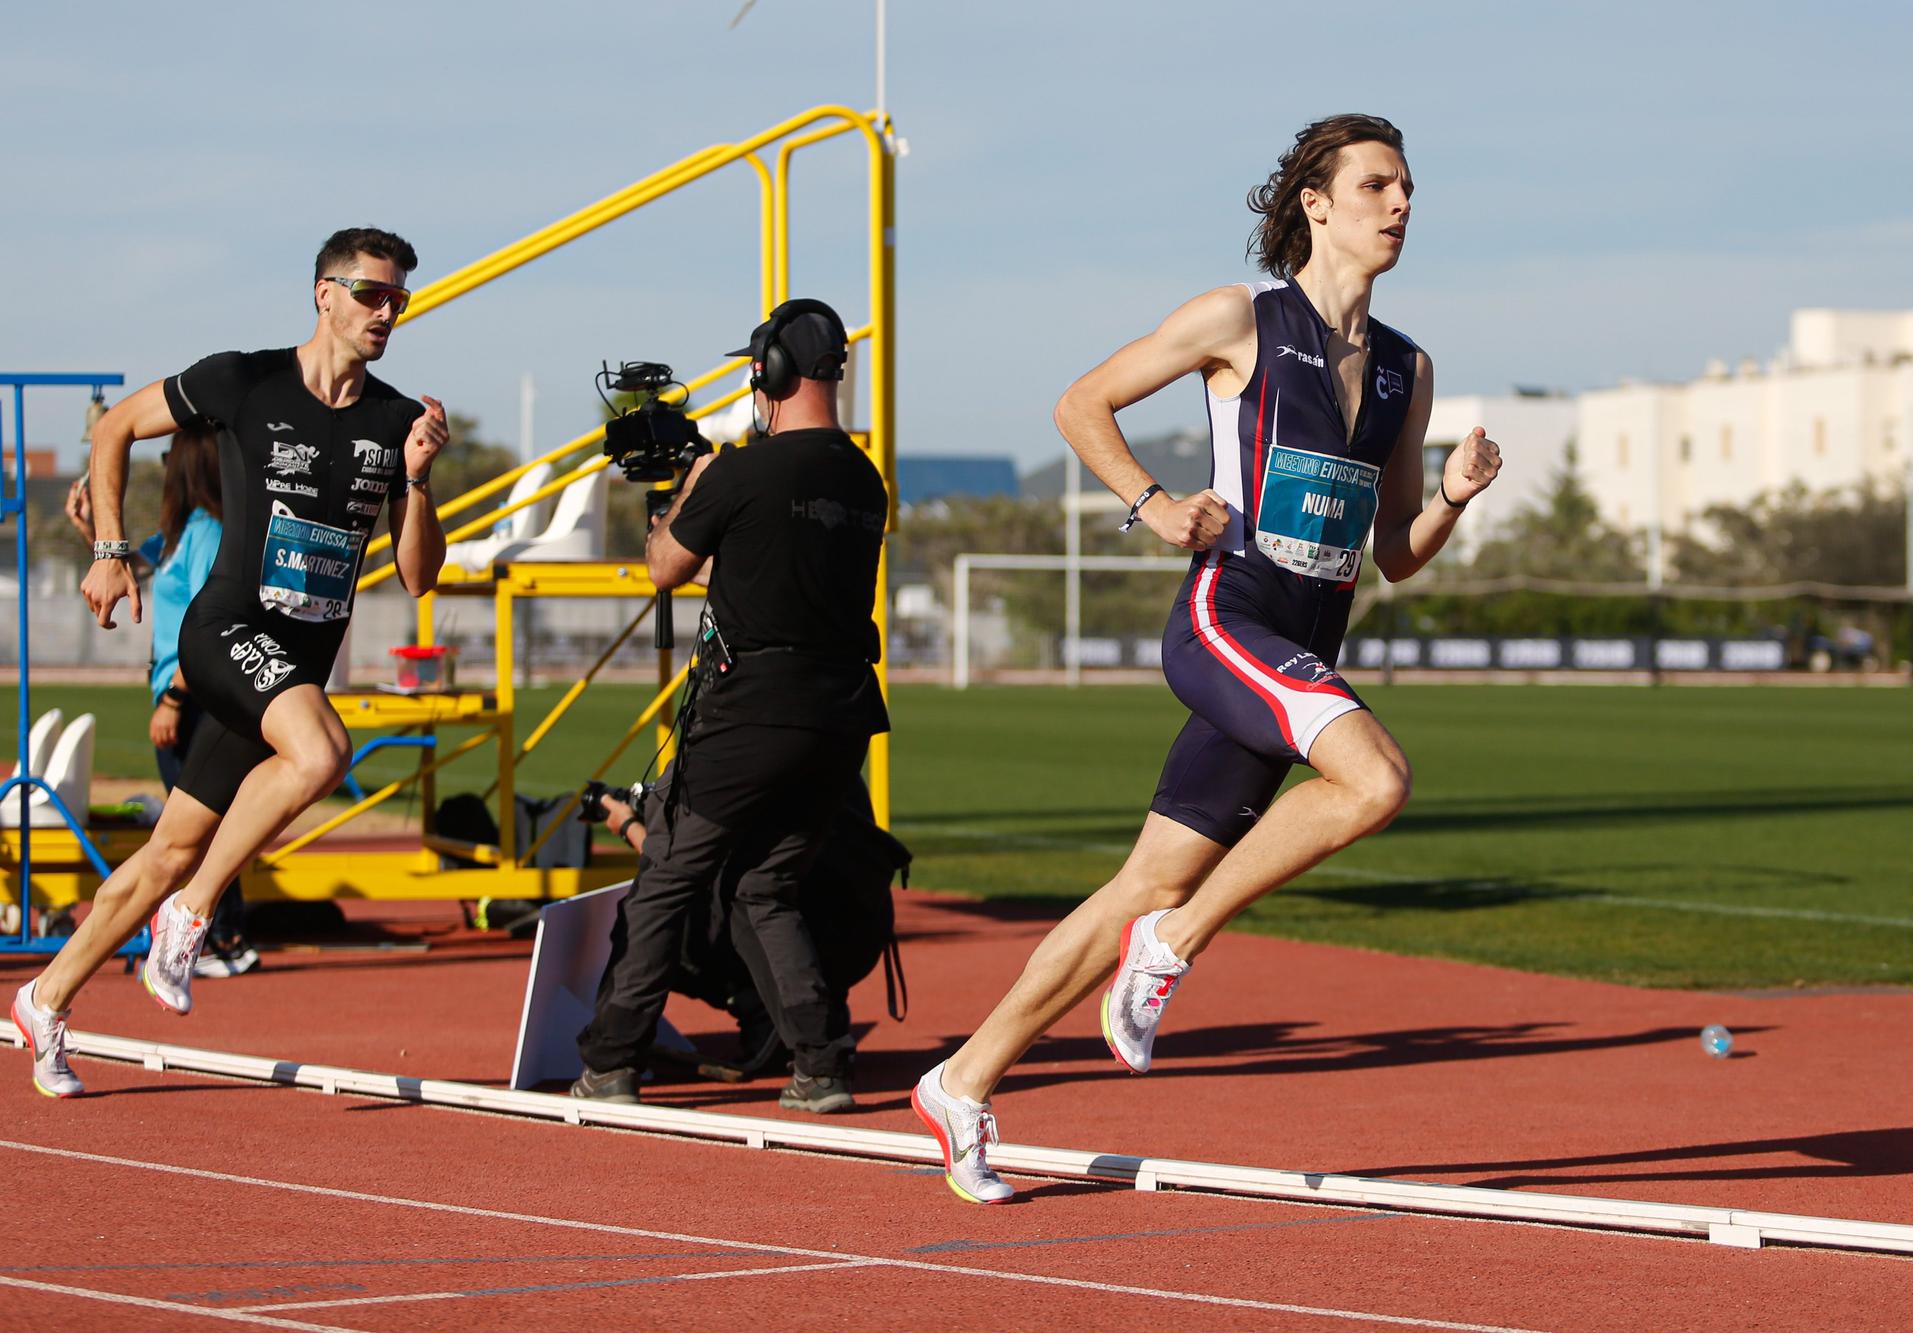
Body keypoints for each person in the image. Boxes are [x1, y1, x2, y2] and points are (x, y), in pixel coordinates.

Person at [910, 115, 1503, 1203]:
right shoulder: (1238, 319)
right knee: (1373, 779)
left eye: (1408, 188)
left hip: (1303, 645)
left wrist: (1455, 500)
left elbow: (1396, 553)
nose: (1400, 205)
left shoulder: (1404, 374)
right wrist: (1151, 502)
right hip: (1228, 620)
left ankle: (961, 1078)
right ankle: (1172, 945)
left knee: (1141, 878)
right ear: (1316, 205)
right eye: (1377, 185)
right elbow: (1079, 403)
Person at [10, 227, 448, 1099]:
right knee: (321, 755)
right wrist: (108, 546)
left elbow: (418, 575)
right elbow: (120, 428)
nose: (387, 312)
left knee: (169, 847)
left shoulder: (400, 421)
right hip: (223, 633)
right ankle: (194, 915)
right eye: (371, 294)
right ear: (323, 294)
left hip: (292, 667)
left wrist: (422, 482)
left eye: (399, 299)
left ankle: (45, 996)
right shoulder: (244, 381)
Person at [573, 298, 889, 1114]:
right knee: (764, 885)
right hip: (841, 715)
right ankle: (820, 1061)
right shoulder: (864, 479)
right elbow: (773, 561)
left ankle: (611, 1060)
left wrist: (691, 486)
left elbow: (665, 567)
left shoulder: (741, 473)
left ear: (768, 372)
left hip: (750, 711)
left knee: (668, 878)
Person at [65, 429, 259, 976]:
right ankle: (215, 935)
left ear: (188, 466)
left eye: (170, 456)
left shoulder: (208, 533)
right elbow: (131, 567)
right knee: (188, 822)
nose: (165, 464)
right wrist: (91, 529)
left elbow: (212, 623)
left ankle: (224, 937)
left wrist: (174, 699)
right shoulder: (180, 535)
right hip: (179, 688)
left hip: (196, 694)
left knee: (197, 824)